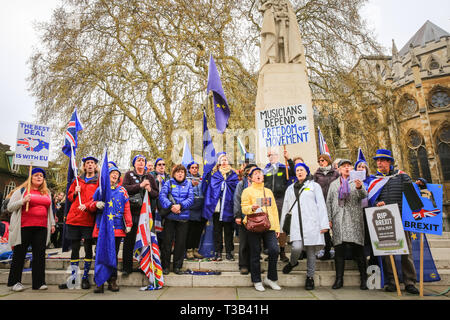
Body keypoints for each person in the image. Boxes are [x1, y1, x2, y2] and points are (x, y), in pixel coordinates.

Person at [368, 149, 419, 294]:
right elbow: (371, 199)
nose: (379, 163)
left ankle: (409, 282)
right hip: (385, 222)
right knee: (387, 253)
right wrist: (377, 202)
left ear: (390, 162)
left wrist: (423, 183)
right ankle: (392, 281)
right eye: (377, 161)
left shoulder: (402, 177)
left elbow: (413, 193)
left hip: (402, 220)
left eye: (382, 160)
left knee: (406, 253)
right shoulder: (374, 181)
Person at [280, 162, 329, 290]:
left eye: (302, 170)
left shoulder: (314, 186)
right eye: (297, 171)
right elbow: (286, 208)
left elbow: (321, 205)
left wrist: (323, 224)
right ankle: (293, 262)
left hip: (311, 224)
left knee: (311, 252)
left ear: (307, 172)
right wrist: (281, 228)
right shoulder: (290, 188)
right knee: (296, 247)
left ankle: (310, 277)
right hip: (296, 224)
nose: (299, 172)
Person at [7, 168, 55, 291]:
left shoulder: (47, 192)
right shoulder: (22, 191)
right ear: (31, 177)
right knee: (19, 254)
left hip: (41, 227)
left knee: (39, 255)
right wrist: (23, 201)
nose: (39, 177)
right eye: (36, 175)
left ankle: (39, 283)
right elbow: (10, 207)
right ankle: (15, 282)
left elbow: (50, 210)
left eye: (41, 176)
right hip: (24, 227)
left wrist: (52, 224)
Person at [326, 159, 368, 290]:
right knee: (339, 251)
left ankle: (364, 278)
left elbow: (364, 196)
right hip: (339, 220)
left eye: (348, 166)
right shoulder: (333, 184)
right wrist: (329, 218)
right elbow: (329, 202)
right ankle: (339, 279)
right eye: (343, 166)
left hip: (354, 220)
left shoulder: (357, 182)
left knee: (358, 251)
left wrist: (359, 187)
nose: (346, 168)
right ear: (339, 169)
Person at [59, 156, 99, 290]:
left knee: (88, 249)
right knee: (74, 249)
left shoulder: (98, 181)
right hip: (74, 219)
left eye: (92, 163)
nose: (90, 165)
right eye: (87, 163)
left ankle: (85, 277)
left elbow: (99, 198)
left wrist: (87, 205)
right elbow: (69, 197)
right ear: (84, 166)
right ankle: (73, 278)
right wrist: (75, 192)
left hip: (88, 219)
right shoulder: (77, 180)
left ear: (95, 166)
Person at [91, 166, 132, 293]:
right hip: (102, 228)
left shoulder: (123, 191)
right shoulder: (101, 190)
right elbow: (91, 204)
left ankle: (112, 280)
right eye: (112, 173)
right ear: (107, 175)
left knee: (113, 255)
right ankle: (100, 281)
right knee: (100, 254)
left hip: (117, 228)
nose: (115, 175)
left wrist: (129, 223)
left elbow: (126, 208)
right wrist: (96, 205)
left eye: (117, 174)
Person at [241, 167, 281, 292]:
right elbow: (244, 208)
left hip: (269, 226)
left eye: (260, 173)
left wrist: (277, 227)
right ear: (251, 177)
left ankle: (271, 278)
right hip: (254, 226)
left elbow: (274, 210)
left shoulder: (268, 191)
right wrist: (251, 208)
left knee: (274, 250)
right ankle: (257, 280)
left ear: (263, 177)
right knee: (255, 253)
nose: (258, 175)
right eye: (255, 174)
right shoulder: (247, 191)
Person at [121, 155, 158, 276]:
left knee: (144, 241)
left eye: (143, 161)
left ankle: (144, 266)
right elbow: (124, 189)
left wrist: (149, 189)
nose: (141, 163)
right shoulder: (128, 174)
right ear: (134, 163)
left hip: (145, 215)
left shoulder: (150, 177)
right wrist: (140, 186)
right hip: (131, 213)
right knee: (129, 241)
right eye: (138, 160)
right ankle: (127, 267)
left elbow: (155, 194)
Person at [203, 153, 239, 261]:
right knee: (217, 231)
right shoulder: (215, 175)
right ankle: (218, 252)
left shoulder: (233, 175)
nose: (224, 162)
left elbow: (235, 190)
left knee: (228, 231)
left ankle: (229, 252)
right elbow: (210, 190)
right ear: (219, 162)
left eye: (226, 160)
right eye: (222, 160)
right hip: (217, 208)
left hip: (228, 208)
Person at [159, 164, 194, 274]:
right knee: (167, 243)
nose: (180, 174)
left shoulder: (188, 184)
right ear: (174, 174)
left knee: (180, 243)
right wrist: (171, 206)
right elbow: (162, 196)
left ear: (185, 174)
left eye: (182, 172)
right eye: (178, 172)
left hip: (183, 219)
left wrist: (180, 206)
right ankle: (165, 267)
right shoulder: (168, 183)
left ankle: (177, 267)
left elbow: (191, 198)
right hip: (170, 218)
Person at [263, 150, 289, 262]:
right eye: (269, 155)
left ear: (277, 156)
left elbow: (293, 172)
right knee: (269, 225)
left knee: (281, 225)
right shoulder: (265, 170)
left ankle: (282, 251)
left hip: (281, 199)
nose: (270, 157)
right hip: (267, 199)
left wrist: (289, 159)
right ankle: (272, 251)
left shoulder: (284, 168)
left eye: (273, 155)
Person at [313, 154, 339, 260]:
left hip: (334, 203)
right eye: (319, 161)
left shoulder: (335, 173)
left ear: (327, 160)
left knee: (336, 228)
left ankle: (338, 252)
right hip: (322, 204)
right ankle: (327, 251)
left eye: (322, 160)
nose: (320, 162)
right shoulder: (317, 174)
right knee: (325, 229)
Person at [233, 163, 257, 275]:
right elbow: (237, 200)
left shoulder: (260, 185)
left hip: (257, 218)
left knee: (255, 244)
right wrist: (237, 215)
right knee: (243, 243)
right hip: (243, 217)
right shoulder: (241, 184)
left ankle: (254, 265)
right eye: (253, 171)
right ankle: (243, 265)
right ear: (248, 173)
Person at [185, 161, 205, 260]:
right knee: (190, 230)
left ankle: (195, 250)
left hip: (200, 207)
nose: (194, 169)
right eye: (192, 167)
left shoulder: (202, 178)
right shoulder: (185, 179)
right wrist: (191, 185)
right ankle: (189, 250)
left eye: (196, 167)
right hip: (191, 208)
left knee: (198, 230)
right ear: (189, 169)